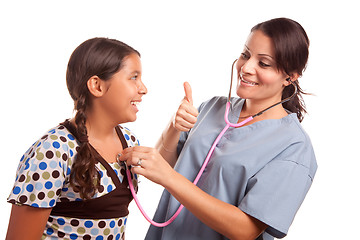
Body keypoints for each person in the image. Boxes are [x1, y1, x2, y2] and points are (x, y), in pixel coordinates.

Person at [119, 18, 317, 240]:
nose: (247, 67)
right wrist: (174, 127)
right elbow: (164, 166)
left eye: (263, 63)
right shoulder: (212, 107)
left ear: (290, 77)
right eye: (245, 54)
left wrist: (169, 178)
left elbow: (246, 230)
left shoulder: (294, 147)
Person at [6, 37, 147, 240]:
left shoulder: (129, 140)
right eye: (133, 77)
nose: (143, 89)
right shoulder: (52, 152)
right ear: (97, 86)